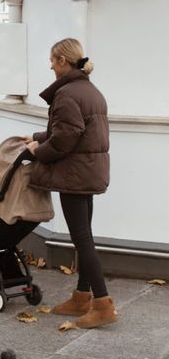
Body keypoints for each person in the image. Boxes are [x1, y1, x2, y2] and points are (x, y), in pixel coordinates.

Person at [23, 38, 118, 329]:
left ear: (63, 61)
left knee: (81, 238)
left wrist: (37, 151)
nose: (50, 65)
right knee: (84, 234)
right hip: (89, 170)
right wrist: (39, 138)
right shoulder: (91, 91)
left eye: (52, 60)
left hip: (74, 173)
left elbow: (65, 139)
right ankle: (81, 297)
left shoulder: (66, 94)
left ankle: (102, 304)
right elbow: (74, 130)